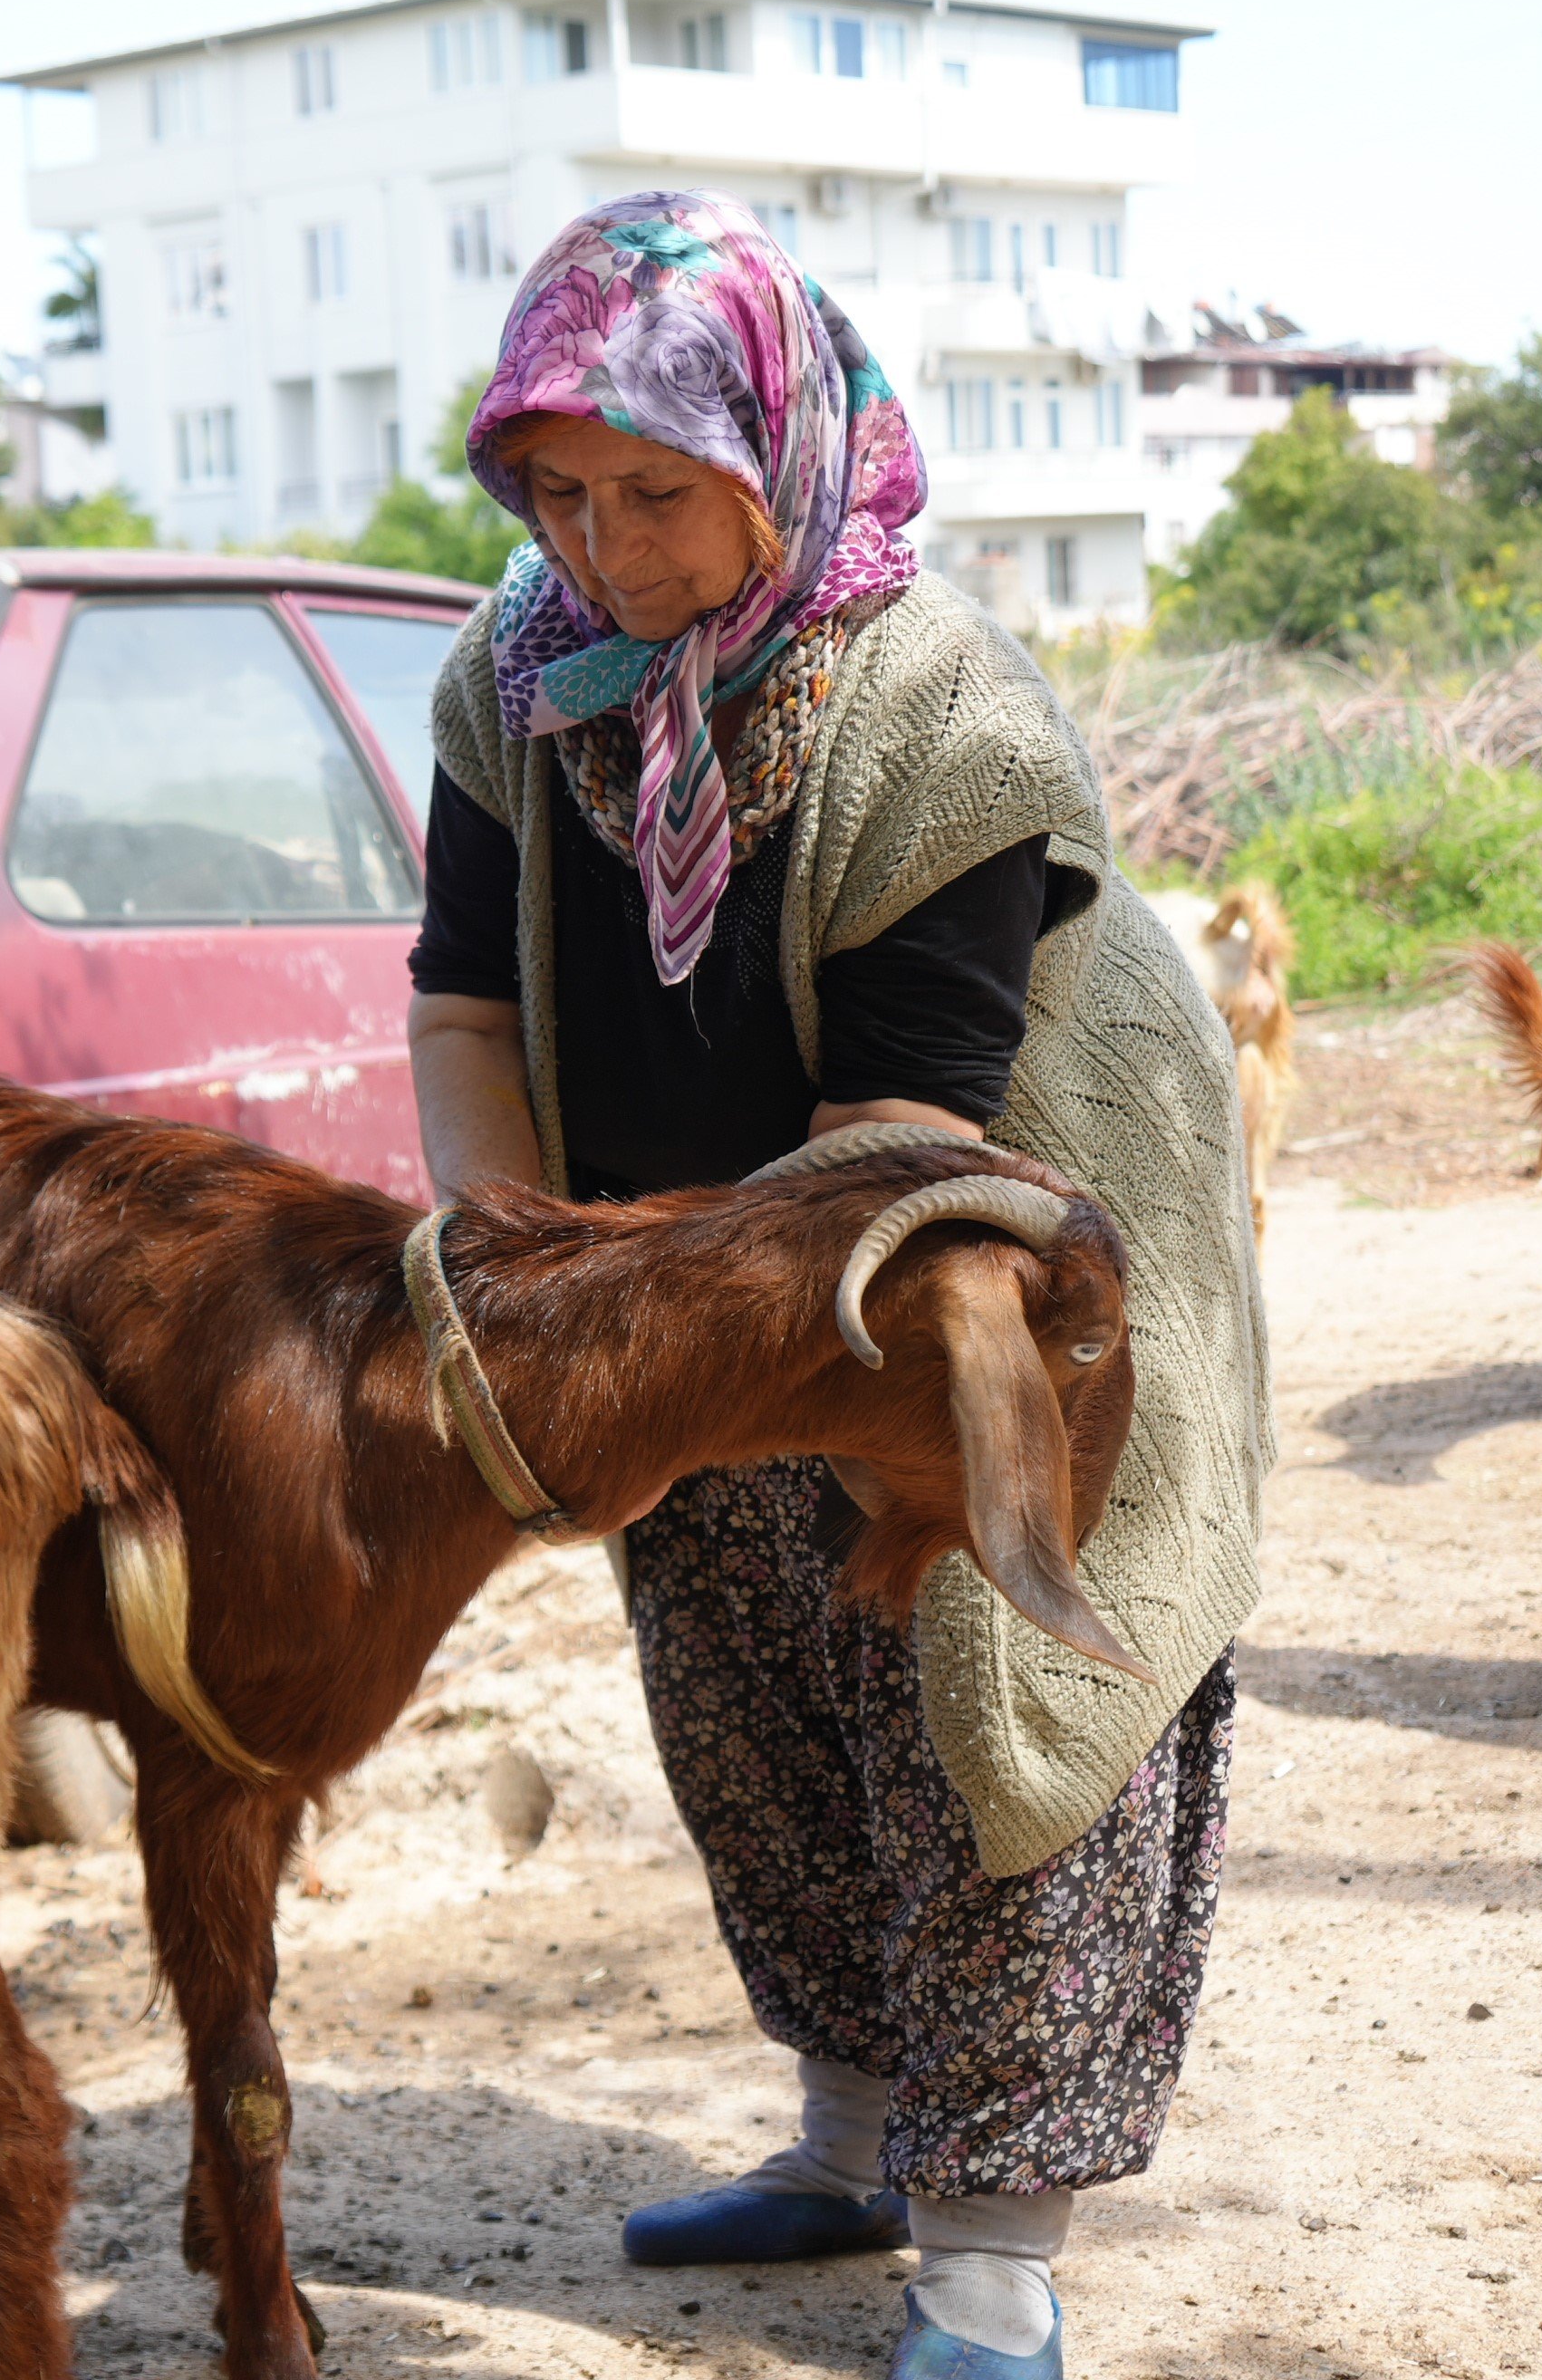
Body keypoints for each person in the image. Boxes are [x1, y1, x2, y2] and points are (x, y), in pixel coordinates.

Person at [405, 191, 1274, 2380]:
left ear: (774, 451)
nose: (610, 546)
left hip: (969, 1262)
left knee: (984, 1716)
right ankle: (851, 2136)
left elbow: (908, 1120)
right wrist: (518, 1289)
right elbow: (461, 1014)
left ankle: (989, 2255)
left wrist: (684, 1310)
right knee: (759, 1713)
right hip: (680, 1279)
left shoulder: (931, 708)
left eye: (661, 494)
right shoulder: (515, 687)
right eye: (564, 494)